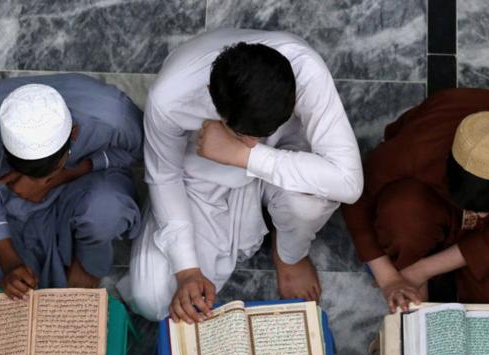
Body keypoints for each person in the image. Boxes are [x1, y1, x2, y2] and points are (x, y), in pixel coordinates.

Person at [123, 29, 362, 323]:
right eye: (243, 134)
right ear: (212, 96)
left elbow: (349, 183)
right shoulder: (170, 96)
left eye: (264, 133)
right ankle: (169, 223)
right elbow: (164, 176)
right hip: (202, 175)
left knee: (308, 203)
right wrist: (187, 271)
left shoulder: (306, 69)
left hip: (284, 156)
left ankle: (290, 255)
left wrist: (245, 155)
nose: (253, 141)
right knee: (154, 298)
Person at [0, 74, 142, 338]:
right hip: (10, 204)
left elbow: (138, 152)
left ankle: (85, 264)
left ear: (73, 134)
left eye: (47, 173)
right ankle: (40, 262)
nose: (40, 182)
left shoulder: (111, 113)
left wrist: (65, 176)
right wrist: (10, 263)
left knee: (106, 211)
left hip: (84, 188)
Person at [342, 88, 489, 312]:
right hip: (427, 202)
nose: (478, 216)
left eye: (488, 210)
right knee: (403, 213)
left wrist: (420, 271)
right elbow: (355, 195)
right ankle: (411, 268)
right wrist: (388, 277)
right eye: (472, 207)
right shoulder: (418, 147)